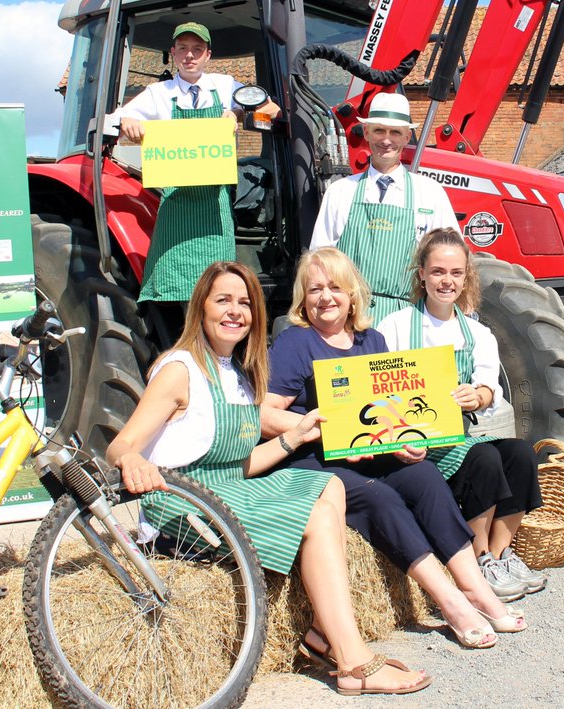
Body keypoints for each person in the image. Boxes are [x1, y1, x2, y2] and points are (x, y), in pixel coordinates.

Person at [106, 261, 431, 696]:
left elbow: (234, 464)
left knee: (329, 484)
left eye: (245, 303)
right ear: (200, 307)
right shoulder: (179, 369)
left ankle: (321, 630)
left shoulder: (234, 373)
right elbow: (119, 445)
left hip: (225, 489)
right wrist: (134, 462)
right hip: (182, 506)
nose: (235, 311)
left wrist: (293, 437)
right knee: (316, 516)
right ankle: (353, 663)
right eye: (223, 300)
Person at [261, 247, 526, 650]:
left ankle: (474, 587)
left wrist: (405, 444)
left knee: (424, 476)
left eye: (335, 287)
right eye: (314, 289)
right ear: (303, 297)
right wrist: (312, 428)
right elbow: (263, 414)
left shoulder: (373, 340)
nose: (325, 297)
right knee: (380, 496)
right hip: (314, 459)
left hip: (368, 450)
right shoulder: (295, 343)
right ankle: (448, 599)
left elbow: (389, 412)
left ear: (352, 294)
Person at [377, 228, 548, 597]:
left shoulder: (476, 333)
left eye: (456, 273)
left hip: (458, 434)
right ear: (421, 273)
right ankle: (477, 557)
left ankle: (501, 553)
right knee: (484, 457)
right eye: (438, 271)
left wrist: (478, 396)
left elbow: (490, 387)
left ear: (466, 276)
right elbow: (377, 392)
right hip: (415, 442)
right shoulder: (394, 327)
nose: (446, 281)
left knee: (519, 454)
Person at [117, 22, 274, 307]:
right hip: (177, 205)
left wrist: (237, 112)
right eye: (183, 49)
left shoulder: (225, 85)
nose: (190, 56)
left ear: (207, 55)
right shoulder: (158, 93)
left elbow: (269, 108)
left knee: (218, 288)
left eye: (197, 50)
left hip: (214, 206)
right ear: (173, 54)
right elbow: (117, 120)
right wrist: (128, 121)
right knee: (178, 290)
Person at [310, 92, 458, 321]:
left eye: (395, 132)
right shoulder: (340, 192)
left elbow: (452, 260)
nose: (386, 140)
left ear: (407, 137)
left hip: (410, 319)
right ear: (366, 133)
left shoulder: (430, 193)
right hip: (348, 320)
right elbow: (318, 261)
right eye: (379, 130)